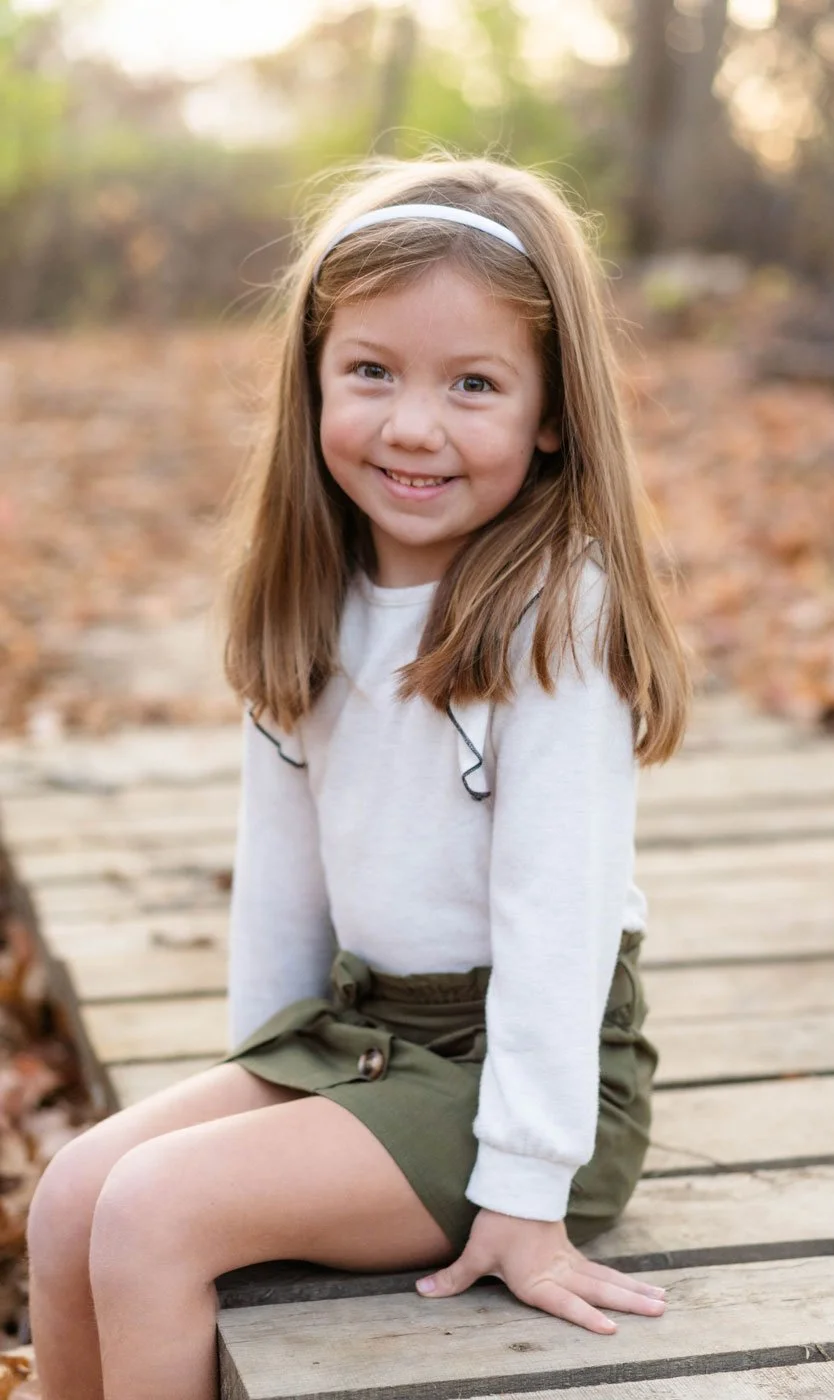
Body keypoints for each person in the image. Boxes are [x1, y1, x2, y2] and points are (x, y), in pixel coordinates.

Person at [25, 155, 691, 1400]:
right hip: (356, 1034)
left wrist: (525, 1188)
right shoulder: (310, 593)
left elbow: (563, 919)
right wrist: (260, 1107)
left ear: (551, 411)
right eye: (372, 370)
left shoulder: (556, 611)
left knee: (155, 1214)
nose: (413, 424)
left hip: (528, 1078)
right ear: (314, 378)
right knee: (73, 1196)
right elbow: (281, 874)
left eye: (474, 383)